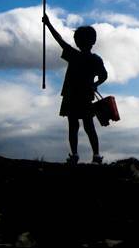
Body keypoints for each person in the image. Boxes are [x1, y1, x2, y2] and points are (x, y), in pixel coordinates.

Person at [42, 15, 108, 165]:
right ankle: (95, 156)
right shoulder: (95, 59)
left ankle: (76, 155)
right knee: (88, 126)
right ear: (93, 41)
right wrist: (95, 84)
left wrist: (48, 24)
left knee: (74, 126)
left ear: (78, 42)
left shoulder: (74, 55)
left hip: (72, 95)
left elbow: (59, 40)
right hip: (84, 96)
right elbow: (104, 76)